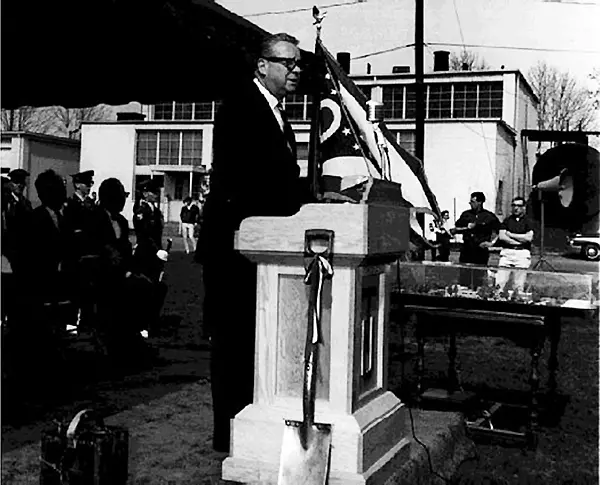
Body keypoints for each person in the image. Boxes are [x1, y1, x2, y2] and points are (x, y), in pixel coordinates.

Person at [198, 32, 307, 452]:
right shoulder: (240, 108)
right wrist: (303, 198)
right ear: (262, 65)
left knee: (253, 341)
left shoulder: (279, 113)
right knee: (233, 343)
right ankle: (228, 435)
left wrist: (314, 198)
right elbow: (253, 181)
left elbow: (281, 180)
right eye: (288, 63)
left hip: (260, 245)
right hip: (234, 248)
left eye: (297, 64)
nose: (295, 71)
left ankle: (250, 423)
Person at [451, 192, 500, 287]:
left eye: (473, 202)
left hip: (480, 252)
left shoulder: (489, 216)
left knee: (479, 277)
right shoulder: (466, 214)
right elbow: (456, 228)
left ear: (480, 202)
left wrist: (492, 243)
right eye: (470, 202)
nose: (471, 204)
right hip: (467, 250)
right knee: (465, 276)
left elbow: (500, 230)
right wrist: (467, 227)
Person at [495, 196, 534, 292]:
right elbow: (502, 236)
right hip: (507, 253)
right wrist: (519, 240)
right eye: (514, 205)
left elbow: (528, 237)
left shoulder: (528, 221)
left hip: (522, 254)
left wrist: (511, 234)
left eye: (519, 206)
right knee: (500, 282)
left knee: (518, 284)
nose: (516, 208)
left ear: (524, 207)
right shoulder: (507, 221)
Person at [132, 178, 164, 281]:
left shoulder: (156, 211)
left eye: (157, 192)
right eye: (153, 192)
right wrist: (156, 249)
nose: (156, 195)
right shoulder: (141, 211)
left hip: (156, 251)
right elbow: (143, 233)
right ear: (145, 193)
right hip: (145, 251)